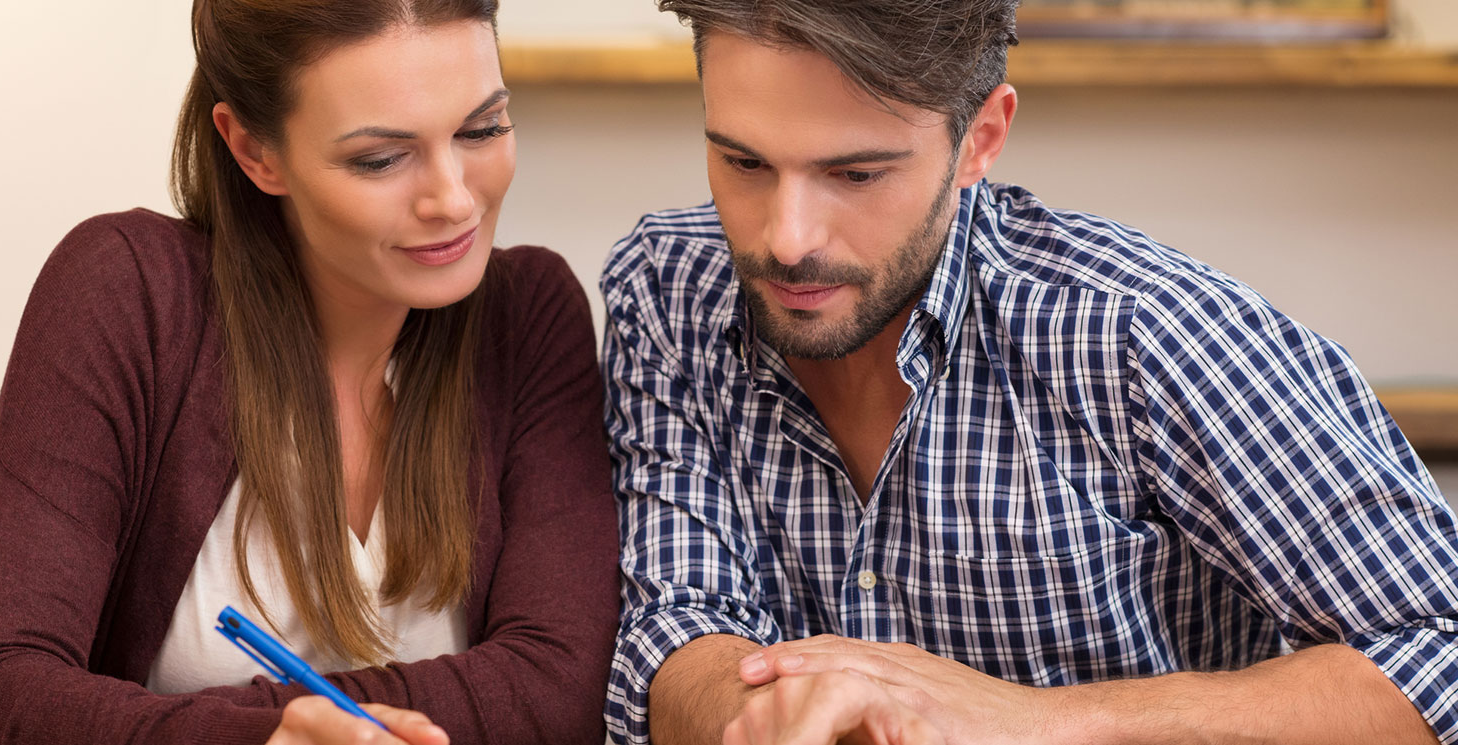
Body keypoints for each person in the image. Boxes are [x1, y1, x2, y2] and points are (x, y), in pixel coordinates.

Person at [598, 1, 1458, 743]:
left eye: (854, 173)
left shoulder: (1140, 331)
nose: (786, 239)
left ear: (982, 139)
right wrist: (779, 713)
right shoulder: (668, 289)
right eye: (743, 162)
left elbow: (1439, 654)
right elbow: (677, 623)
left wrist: (1034, 720)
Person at [0, 0, 618, 743]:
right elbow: (1, 690)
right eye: (381, 158)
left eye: (483, 128)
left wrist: (118, 717)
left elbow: (560, 695)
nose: (452, 198)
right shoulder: (124, 294)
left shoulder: (530, 317)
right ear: (255, 151)